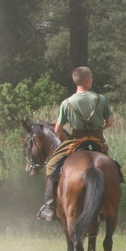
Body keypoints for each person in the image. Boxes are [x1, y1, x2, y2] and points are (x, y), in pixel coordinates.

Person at [38, 66, 114, 220]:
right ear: (86, 80)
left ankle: (49, 206)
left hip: (75, 139)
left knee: (51, 166)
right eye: (91, 77)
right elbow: (110, 122)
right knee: (111, 168)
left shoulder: (67, 103)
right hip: (97, 139)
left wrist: (65, 140)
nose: (92, 79)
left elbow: (58, 129)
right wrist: (98, 129)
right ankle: (108, 203)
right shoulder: (101, 99)